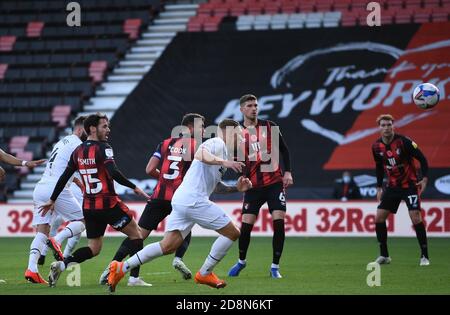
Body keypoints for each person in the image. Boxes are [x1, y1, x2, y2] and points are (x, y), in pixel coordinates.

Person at [106, 119, 252, 293]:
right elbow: (200, 154)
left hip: (182, 199)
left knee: (167, 246)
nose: (242, 139)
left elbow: (216, 186)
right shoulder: (217, 143)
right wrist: (225, 163)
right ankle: (205, 272)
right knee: (233, 232)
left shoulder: (223, 154)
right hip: (193, 200)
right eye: (239, 135)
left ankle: (121, 268)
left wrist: (237, 188)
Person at [39, 113, 150, 287]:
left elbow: (64, 177)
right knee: (137, 236)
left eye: (108, 126)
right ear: (92, 128)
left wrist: (52, 199)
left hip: (89, 207)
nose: (108, 130)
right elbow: (113, 172)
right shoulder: (103, 147)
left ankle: (62, 264)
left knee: (94, 248)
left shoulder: (78, 151)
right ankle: (133, 278)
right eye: (104, 126)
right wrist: (134, 187)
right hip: (108, 204)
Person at [98, 113, 205, 287]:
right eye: (201, 127)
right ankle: (177, 258)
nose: (203, 130)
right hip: (180, 198)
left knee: (138, 235)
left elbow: (149, 169)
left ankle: (113, 268)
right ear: (190, 127)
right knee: (185, 227)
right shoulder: (196, 146)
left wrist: (165, 179)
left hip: (158, 197)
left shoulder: (164, 143)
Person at [228, 94, 293, 279]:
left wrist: (287, 172)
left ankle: (275, 266)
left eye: (256, 105)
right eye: (249, 105)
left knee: (279, 222)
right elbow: (235, 160)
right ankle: (241, 261)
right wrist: (240, 177)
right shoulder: (237, 133)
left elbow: (284, 149)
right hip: (253, 187)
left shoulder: (270, 126)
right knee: (246, 226)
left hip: (274, 183)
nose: (254, 108)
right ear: (242, 109)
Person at [25, 116, 87, 284]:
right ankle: (57, 240)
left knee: (41, 232)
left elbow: (62, 166)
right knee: (83, 220)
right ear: (80, 130)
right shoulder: (79, 145)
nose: (89, 134)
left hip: (41, 187)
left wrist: (77, 181)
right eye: (88, 130)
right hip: (56, 189)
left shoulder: (61, 142)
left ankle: (32, 269)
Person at [372, 114, 430, 266]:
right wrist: (379, 187)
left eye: (389, 125)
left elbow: (422, 159)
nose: (386, 128)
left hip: (410, 185)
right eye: (383, 125)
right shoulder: (376, 146)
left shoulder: (404, 142)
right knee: (379, 218)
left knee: (416, 217)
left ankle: (424, 255)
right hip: (392, 187)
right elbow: (379, 167)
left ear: (393, 126)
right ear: (379, 128)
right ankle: (384, 255)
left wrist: (424, 179)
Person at [38, 175, 84, 266]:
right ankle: (64, 257)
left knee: (52, 225)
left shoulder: (70, 168)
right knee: (79, 226)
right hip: (73, 197)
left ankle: (42, 255)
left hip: (63, 194)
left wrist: (53, 199)